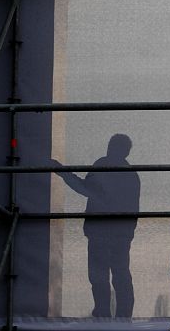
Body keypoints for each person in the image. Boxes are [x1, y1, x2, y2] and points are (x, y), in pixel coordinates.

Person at [53, 134, 140, 318]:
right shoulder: (131, 174)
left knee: (100, 275)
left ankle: (102, 313)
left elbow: (86, 189)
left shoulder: (102, 166)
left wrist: (63, 173)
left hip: (100, 232)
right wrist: (128, 231)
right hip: (120, 233)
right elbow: (133, 208)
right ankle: (123, 315)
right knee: (120, 273)